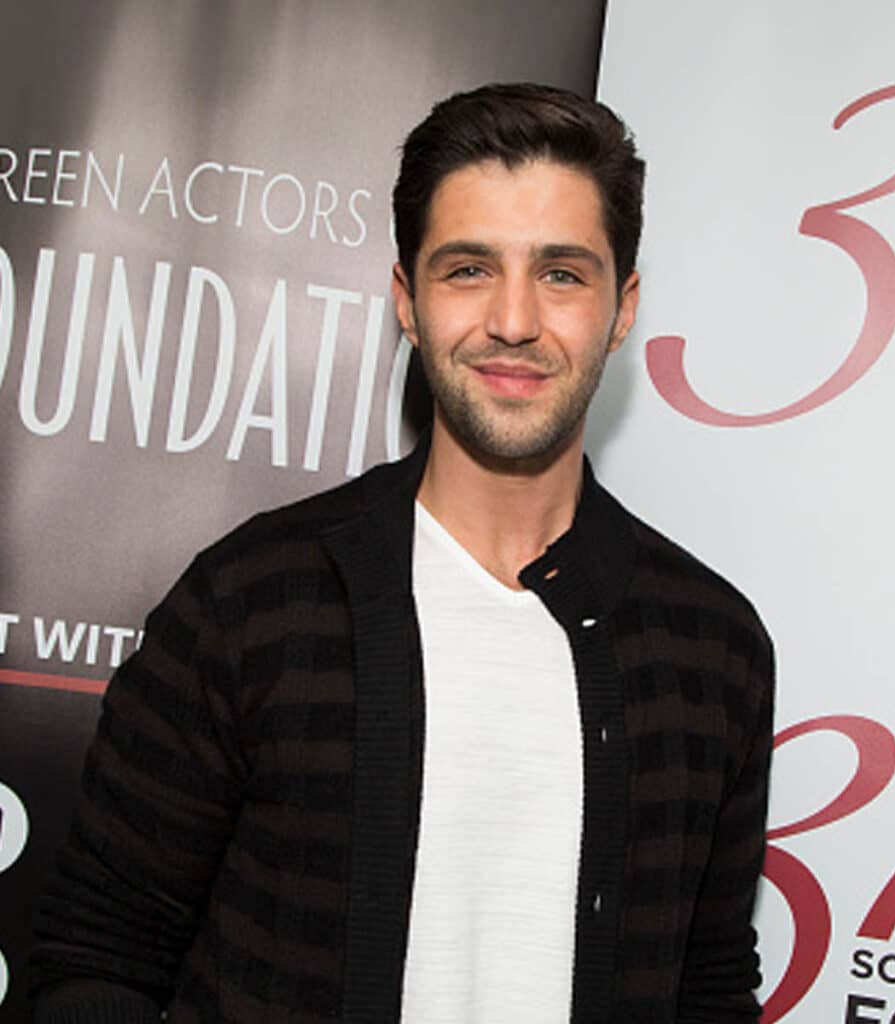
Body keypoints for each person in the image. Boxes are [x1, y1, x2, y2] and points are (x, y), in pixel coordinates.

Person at [31, 82, 774, 1023]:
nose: (513, 320)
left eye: (561, 273)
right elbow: (96, 963)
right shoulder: (251, 604)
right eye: (468, 269)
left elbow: (709, 990)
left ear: (623, 306)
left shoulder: (712, 648)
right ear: (407, 301)